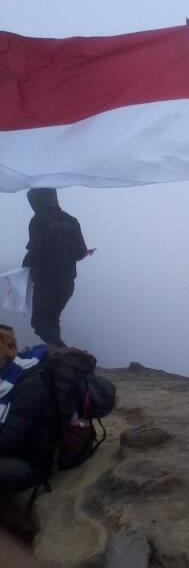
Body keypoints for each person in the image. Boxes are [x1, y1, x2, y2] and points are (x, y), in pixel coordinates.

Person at [22, 188, 94, 348]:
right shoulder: (72, 221)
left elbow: (37, 251)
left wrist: (26, 263)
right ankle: (58, 358)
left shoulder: (38, 220)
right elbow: (80, 252)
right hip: (67, 282)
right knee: (52, 320)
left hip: (46, 281)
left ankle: (64, 353)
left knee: (40, 323)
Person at [0, 325, 55, 496]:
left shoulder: (29, 383)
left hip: (26, 463)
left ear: (5, 351)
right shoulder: (4, 377)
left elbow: (8, 440)